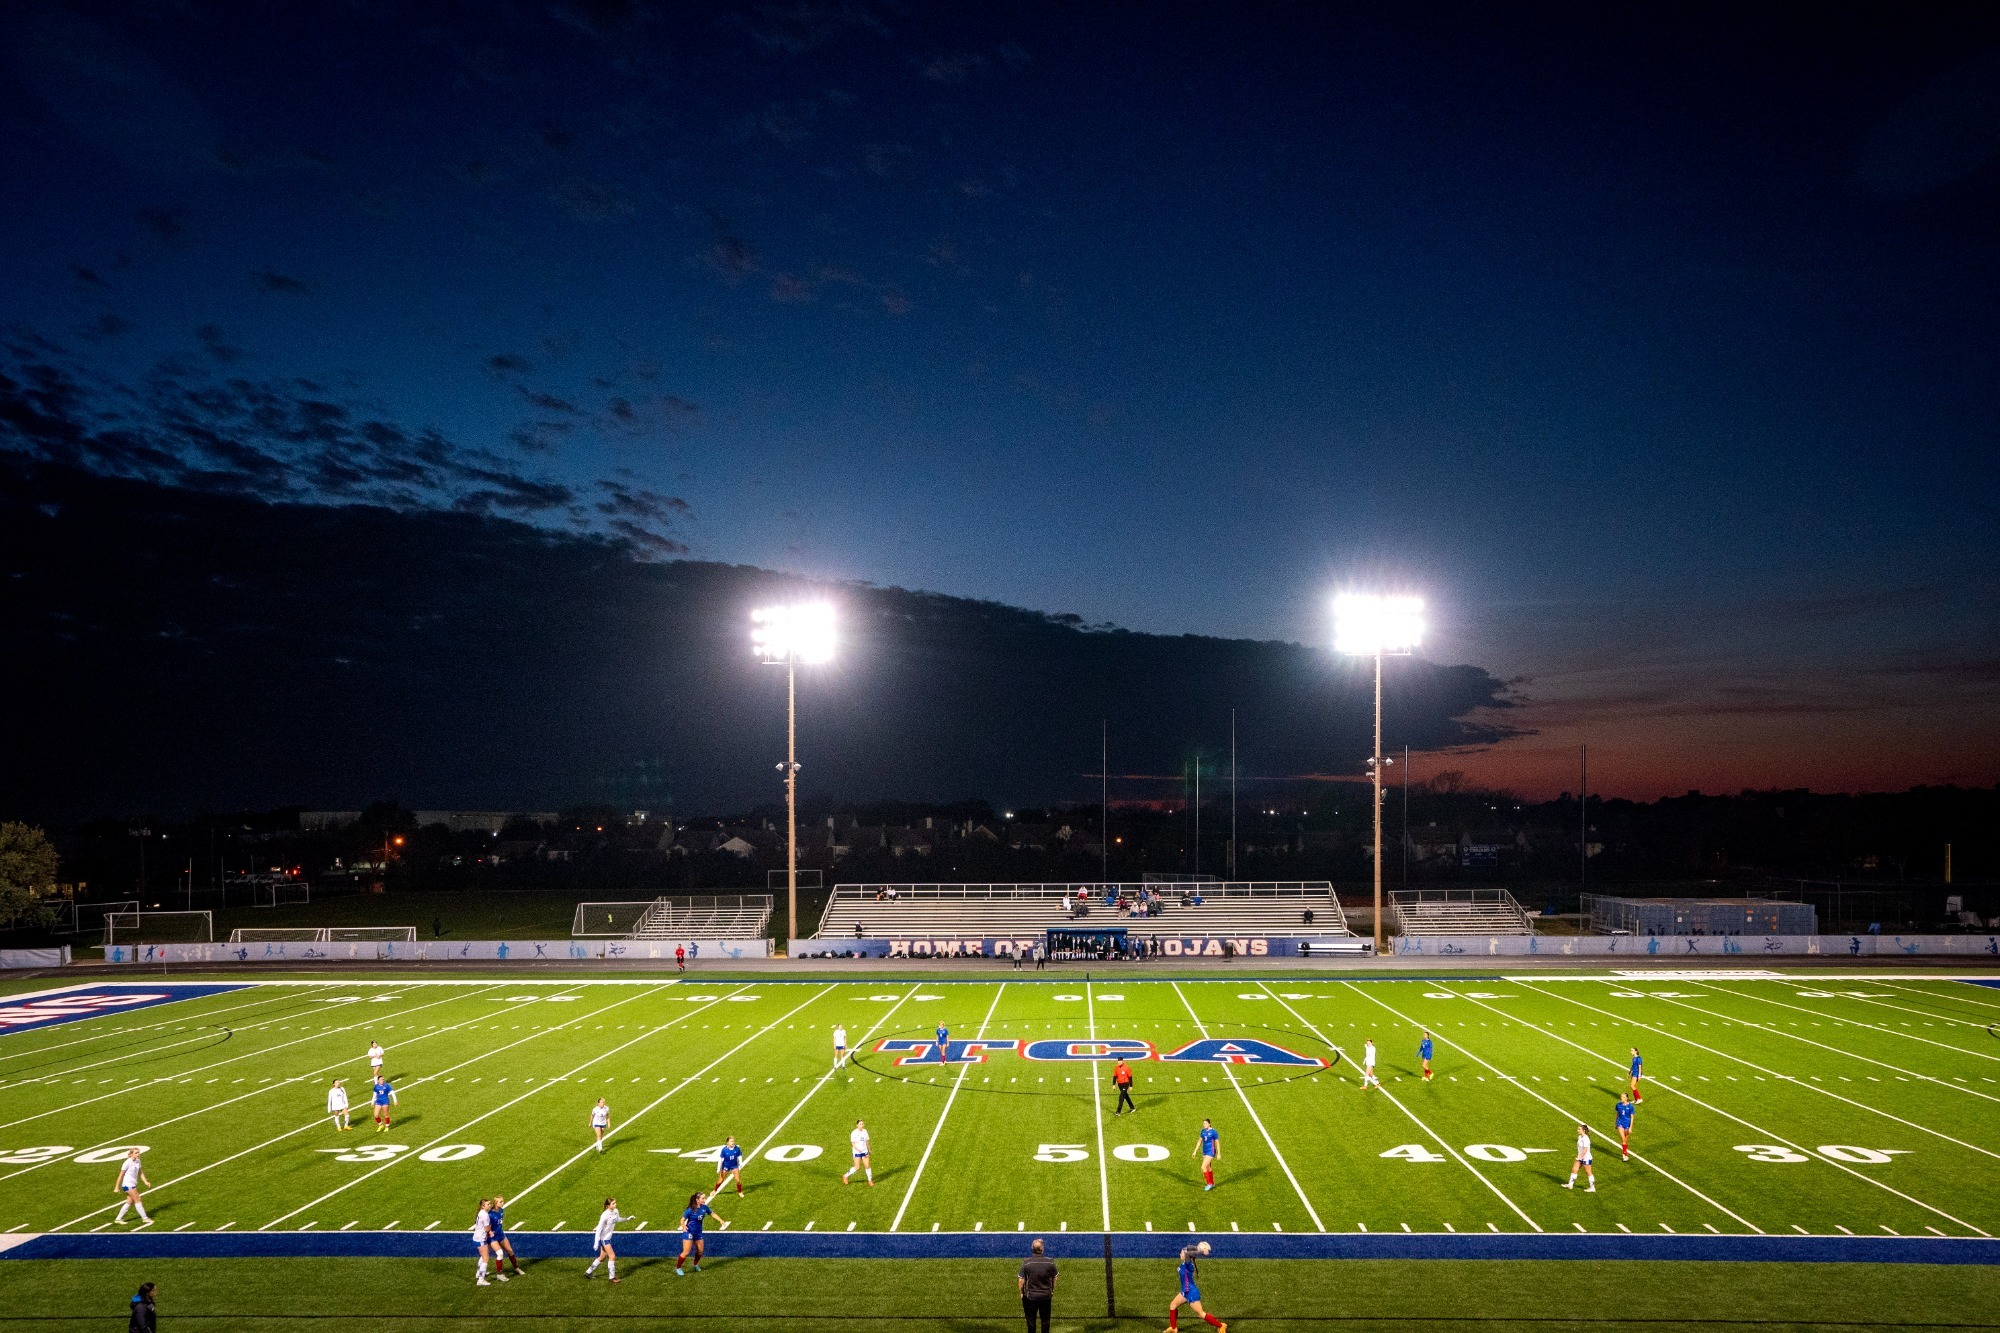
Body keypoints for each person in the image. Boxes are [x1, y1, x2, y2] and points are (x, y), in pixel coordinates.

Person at [1167, 1240, 1225, 1331]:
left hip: (1191, 1292)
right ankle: (1173, 1328)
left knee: (1201, 1314)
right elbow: (1189, 1247)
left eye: (1181, 1252)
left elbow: (1188, 1254)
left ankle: (1221, 1325)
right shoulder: (1185, 1263)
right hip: (1185, 1291)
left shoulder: (1188, 1264)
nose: (1180, 1254)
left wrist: (1201, 1252)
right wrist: (1198, 1248)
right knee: (1173, 1305)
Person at [675, 1190, 722, 1275]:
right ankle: (678, 1268)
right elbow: (682, 1220)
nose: (705, 1199)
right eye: (703, 1198)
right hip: (689, 1232)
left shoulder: (704, 1207)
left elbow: (712, 1214)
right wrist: (683, 1226)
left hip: (698, 1232)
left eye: (705, 1198)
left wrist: (721, 1221)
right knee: (686, 1252)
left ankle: (695, 1264)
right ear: (697, 1199)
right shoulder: (691, 1209)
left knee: (700, 1251)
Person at [1018, 1237, 1058, 1333]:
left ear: (1032, 1249)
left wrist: (1021, 1293)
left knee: (1031, 1322)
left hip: (1031, 1297)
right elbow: (1055, 1277)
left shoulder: (1026, 1263)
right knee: (1045, 1321)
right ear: (1042, 1249)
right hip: (1046, 1296)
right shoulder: (1050, 1262)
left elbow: (1021, 1280)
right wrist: (1052, 1290)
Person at [585, 1197, 624, 1282]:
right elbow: (598, 1229)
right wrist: (596, 1243)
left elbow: (618, 1219)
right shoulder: (604, 1215)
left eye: (615, 1203)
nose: (615, 1205)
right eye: (613, 1203)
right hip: (604, 1239)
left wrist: (627, 1219)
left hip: (608, 1238)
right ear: (608, 1206)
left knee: (602, 1257)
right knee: (612, 1256)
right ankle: (612, 1277)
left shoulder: (616, 1211)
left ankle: (588, 1272)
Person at [113, 1148, 151, 1225]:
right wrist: (116, 1187)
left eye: (138, 1153)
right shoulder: (127, 1163)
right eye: (136, 1153)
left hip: (132, 1184)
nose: (138, 1154)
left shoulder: (138, 1161)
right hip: (128, 1185)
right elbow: (120, 1175)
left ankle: (118, 1219)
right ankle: (145, 1218)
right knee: (138, 1199)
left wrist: (145, 1181)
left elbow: (140, 1172)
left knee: (129, 1202)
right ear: (131, 1154)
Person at [473, 1198, 505, 1285]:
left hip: (477, 1237)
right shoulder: (485, 1215)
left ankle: (478, 1273)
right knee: (485, 1258)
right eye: (488, 1204)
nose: (490, 1205)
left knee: (484, 1256)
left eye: (490, 1204)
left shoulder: (481, 1213)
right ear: (483, 1206)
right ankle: (481, 1280)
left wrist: (489, 1231)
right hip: (481, 1239)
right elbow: (487, 1228)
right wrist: (490, 1232)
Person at [488, 1195, 521, 1276]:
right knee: (498, 1254)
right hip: (493, 1237)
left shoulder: (501, 1210)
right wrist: (490, 1233)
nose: (503, 1203)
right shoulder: (490, 1214)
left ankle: (516, 1267)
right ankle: (499, 1273)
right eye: (500, 1202)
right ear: (495, 1203)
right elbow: (487, 1227)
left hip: (501, 1235)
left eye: (503, 1201)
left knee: (510, 1251)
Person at [1564, 1123, 1596, 1192]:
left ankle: (1592, 1188)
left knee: (1588, 1172)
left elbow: (1585, 1150)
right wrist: (1579, 1157)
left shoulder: (1586, 1139)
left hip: (1586, 1158)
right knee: (1574, 1169)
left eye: (1579, 1129)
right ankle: (1570, 1184)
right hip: (1580, 1157)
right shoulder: (1580, 1137)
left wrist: (1579, 1157)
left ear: (1583, 1130)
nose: (1577, 1130)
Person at [843, 1118, 874, 1185]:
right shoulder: (854, 1133)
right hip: (857, 1152)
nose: (862, 1125)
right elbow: (853, 1143)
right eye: (860, 1124)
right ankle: (845, 1176)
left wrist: (869, 1149)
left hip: (864, 1151)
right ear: (857, 1125)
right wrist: (858, 1149)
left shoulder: (865, 1131)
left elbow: (867, 1141)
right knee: (857, 1167)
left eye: (862, 1124)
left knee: (867, 1165)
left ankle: (870, 1180)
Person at [1194, 1119, 1220, 1191]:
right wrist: (1195, 1151)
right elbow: (1199, 1141)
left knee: (1203, 1167)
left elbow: (1217, 1143)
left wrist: (1218, 1153)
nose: (1204, 1125)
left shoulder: (1213, 1132)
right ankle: (1212, 1183)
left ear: (1209, 1124)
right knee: (1208, 1167)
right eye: (1203, 1123)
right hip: (1204, 1152)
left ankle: (1209, 1184)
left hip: (1211, 1151)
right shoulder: (1203, 1131)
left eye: (1206, 1123)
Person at [1614, 1093, 1636, 1161]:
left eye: (1623, 1097)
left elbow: (1632, 1117)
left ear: (1627, 1098)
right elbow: (1617, 1114)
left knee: (1625, 1141)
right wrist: (1616, 1123)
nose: (1622, 1098)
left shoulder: (1630, 1107)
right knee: (1623, 1139)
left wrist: (1630, 1127)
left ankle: (1625, 1152)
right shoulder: (1618, 1105)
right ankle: (1624, 1155)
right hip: (1620, 1123)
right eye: (1621, 1097)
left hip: (1627, 1124)